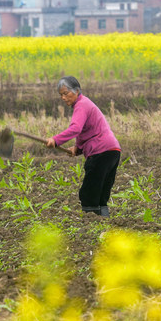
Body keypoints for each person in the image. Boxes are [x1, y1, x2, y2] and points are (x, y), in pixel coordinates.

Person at [46, 76, 122, 217]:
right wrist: (78, 149)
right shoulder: (86, 103)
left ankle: (92, 222)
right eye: (61, 95)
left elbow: (76, 129)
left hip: (100, 152)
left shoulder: (81, 105)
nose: (63, 98)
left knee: (89, 193)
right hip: (112, 151)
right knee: (101, 193)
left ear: (76, 91)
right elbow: (89, 131)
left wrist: (56, 140)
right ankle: (104, 221)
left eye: (65, 93)